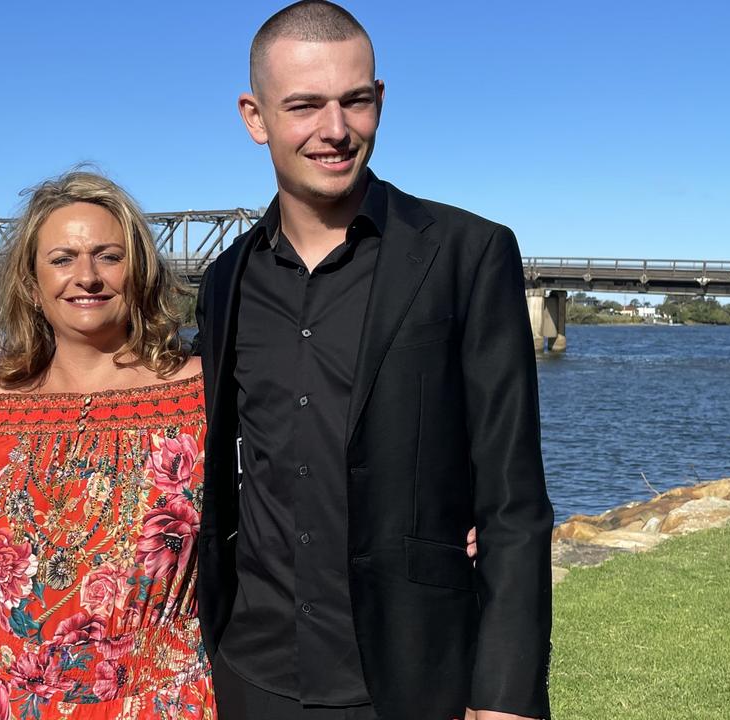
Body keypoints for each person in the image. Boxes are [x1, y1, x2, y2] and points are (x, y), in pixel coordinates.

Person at [192, 3, 553, 719]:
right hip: (254, 672)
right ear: (253, 116)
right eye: (303, 106)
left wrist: (505, 692)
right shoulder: (226, 279)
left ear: (378, 100)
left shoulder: (466, 254)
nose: (334, 130)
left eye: (353, 101)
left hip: (415, 673)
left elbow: (512, 500)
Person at [0, 171, 215, 719]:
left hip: (155, 702)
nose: (86, 277)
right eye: (62, 259)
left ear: (140, 274)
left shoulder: (204, 397)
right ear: (32, 286)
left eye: (108, 256)